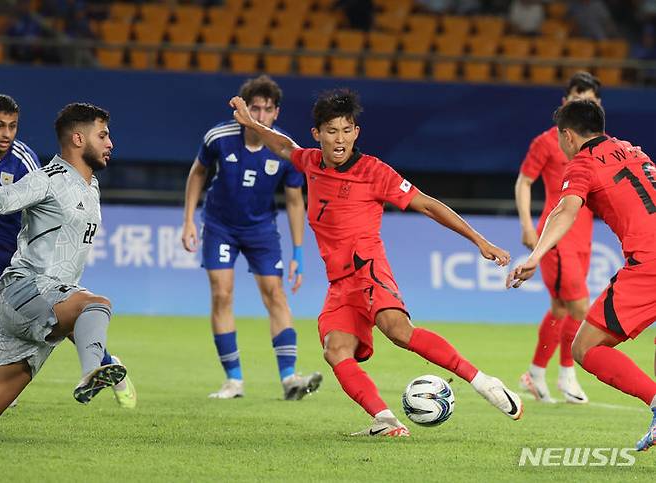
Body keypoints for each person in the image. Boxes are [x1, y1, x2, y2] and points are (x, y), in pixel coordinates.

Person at [229, 88, 524, 436]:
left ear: (356, 132)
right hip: (340, 284)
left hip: (368, 269)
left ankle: (483, 382)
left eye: (346, 130)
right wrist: (252, 124)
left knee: (398, 331)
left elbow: (427, 204)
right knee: (335, 350)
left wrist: (479, 240)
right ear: (317, 134)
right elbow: (283, 145)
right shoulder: (310, 161)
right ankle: (385, 420)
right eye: (331, 131)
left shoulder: (373, 172)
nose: (339, 139)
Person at [508, 100, 656, 451]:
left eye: (561, 139)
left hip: (650, 263)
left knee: (586, 347)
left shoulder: (584, 163)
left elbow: (565, 211)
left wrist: (536, 255)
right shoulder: (634, 150)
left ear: (569, 136)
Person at [182, 75, 322, 401]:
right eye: (254, 108)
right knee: (222, 294)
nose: (260, 116)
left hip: (261, 230)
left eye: (267, 109)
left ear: (276, 113)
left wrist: (298, 252)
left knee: (275, 294)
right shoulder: (218, 137)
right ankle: (233, 381)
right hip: (219, 226)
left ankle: (290, 379)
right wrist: (188, 220)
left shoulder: (286, 149)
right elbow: (198, 172)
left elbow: (294, 200)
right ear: (241, 110)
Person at [0, 94, 136, 410]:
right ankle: (94, 372)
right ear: (77, 138)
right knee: (96, 306)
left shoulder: (91, 187)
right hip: (26, 290)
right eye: (102, 135)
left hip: (47, 306)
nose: (110, 143)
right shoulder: (48, 179)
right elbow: (4, 201)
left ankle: (97, 368)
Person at [515, 72, 601, 404]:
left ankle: (535, 374)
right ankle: (567, 374)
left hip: (585, 235)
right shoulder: (548, 141)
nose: (585, 103)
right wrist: (526, 225)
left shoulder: (598, 145)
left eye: (591, 98)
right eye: (579, 96)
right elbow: (524, 181)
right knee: (579, 307)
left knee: (561, 307)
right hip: (557, 235)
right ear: (565, 100)